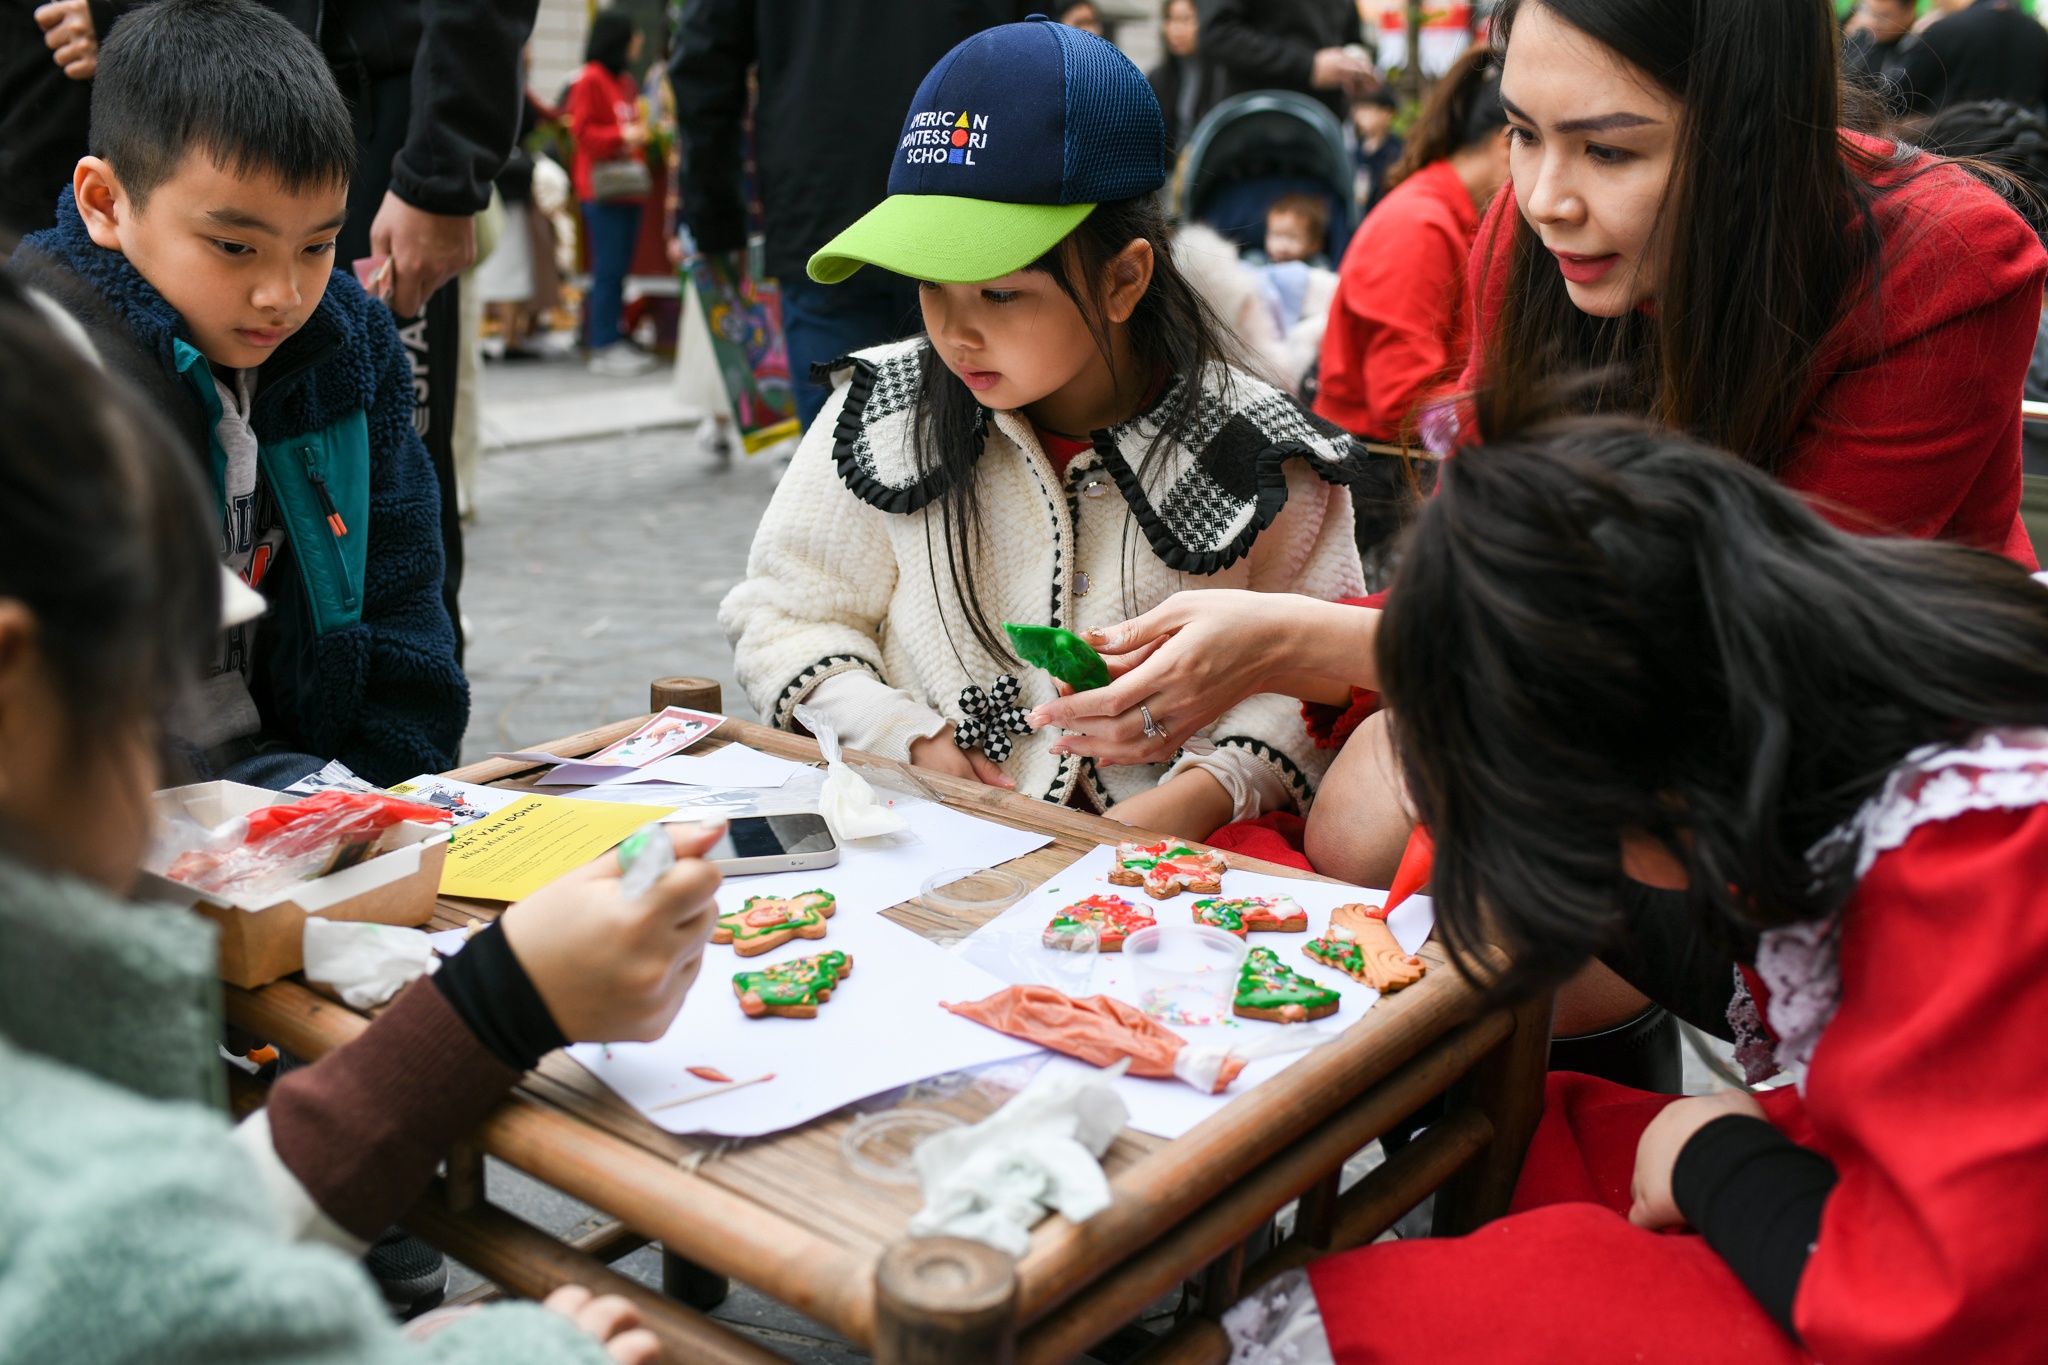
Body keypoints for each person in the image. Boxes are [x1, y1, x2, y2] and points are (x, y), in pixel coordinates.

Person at [1031, 0, 2048, 1068]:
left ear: (1752, 125)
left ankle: (1613, 1135)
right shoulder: (1530, 242)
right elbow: (1501, 578)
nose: (1545, 197)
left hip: (1830, 752)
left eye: (1608, 149)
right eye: (1518, 132)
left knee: (1484, 878)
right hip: (1604, 708)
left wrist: (1293, 638)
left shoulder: (1943, 262)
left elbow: (1722, 658)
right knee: (1364, 809)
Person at [0, 269, 728, 1362]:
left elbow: (185, 1234)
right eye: (148, 690)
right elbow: (140, 1267)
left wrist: (498, 998)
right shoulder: (87, 1211)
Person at [1221, 414, 2048, 1365]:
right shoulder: (1863, 707)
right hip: (1902, 1215)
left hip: (1935, 1290)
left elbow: (1940, 1301)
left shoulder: (1972, 859)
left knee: (1396, 1314)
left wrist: (1717, 1161)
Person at [721, 18, 1365, 841]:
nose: (955, 332)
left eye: (998, 294)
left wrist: (1205, 790)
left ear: (1125, 278)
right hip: (924, 833)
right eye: (931, 286)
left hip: (1168, 870)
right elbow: (784, 616)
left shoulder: (1257, 450)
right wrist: (911, 740)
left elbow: (1314, 676)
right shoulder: (885, 409)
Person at [11, 0, 469, 792]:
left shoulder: (353, 350)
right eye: (234, 246)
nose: (281, 294)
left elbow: (407, 610)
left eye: (319, 245)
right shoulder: (48, 372)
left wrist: (377, 796)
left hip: (321, 793)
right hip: (124, 818)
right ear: (104, 203)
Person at [671, 0, 1030, 433]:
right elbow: (1043, 41)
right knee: (994, 452)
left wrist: (717, 225)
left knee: (838, 455)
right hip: (967, 189)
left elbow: (703, 62)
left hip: (823, 201)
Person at [1314, 46, 1509, 445]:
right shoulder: (1420, 225)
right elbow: (1403, 405)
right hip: (1379, 475)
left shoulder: (1456, 214)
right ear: (1509, 142)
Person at [567, 11, 655, 377]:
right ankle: (602, 344)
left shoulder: (622, 81)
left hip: (627, 190)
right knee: (607, 270)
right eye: (633, 36)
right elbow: (583, 133)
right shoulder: (590, 80)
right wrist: (625, 137)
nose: (639, 43)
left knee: (617, 270)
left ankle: (611, 335)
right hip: (603, 191)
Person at [1204, 0, 1374, 122]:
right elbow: (1218, 33)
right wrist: (1308, 66)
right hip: (1258, 126)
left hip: (1323, 132)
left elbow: (1351, 37)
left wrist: (1357, 64)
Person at [1893, 0, 2048, 117]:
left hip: (1953, 147)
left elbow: (1898, 99)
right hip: (2021, 147)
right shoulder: (2037, 32)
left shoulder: (1944, 30)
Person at [1148, 0, 1216, 155]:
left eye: (1186, 19)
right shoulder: (1159, 77)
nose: (1176, 29)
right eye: (1170, 18)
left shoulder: (1220, 75)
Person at [1841, 0, 1916, 100]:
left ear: (1909, 10)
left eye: (1883, 17)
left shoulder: (1915, 49)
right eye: (1869, 12)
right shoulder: (1860, 34)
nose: (1872, 23)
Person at [1348, 89, 1404, 212]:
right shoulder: (1352, 151)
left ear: (1387, 113)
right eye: (1357, 110)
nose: (1359, 117)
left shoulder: (1398, 153)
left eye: (1367, 109)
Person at [1260, 191, 1329, 265]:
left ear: (1315, 245)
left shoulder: (1318, 267)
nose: (1282, 247)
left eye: (1292, 238)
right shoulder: (1258, 261)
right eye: (1276, 235)